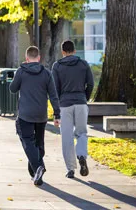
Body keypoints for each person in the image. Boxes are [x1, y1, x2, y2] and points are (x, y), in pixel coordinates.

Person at [9, 46, 60, 186]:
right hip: (41, 114)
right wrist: (57, 114)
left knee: (27, 141)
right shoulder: (46, 73)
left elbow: (12, 89)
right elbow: (53, 95)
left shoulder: (21, 71)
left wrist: (18, 76)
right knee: (38, 143)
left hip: (25, 114)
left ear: (26, 59)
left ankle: (38, 167)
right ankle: (36, 175)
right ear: (38, 58)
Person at [51, 40, 94, 179]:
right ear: (75, 51)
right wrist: (84, 98)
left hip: (65, 105)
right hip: (81, 102)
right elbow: (91, 83)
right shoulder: (83, 64)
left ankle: (70, 169)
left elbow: (55, 89)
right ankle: (81, 155)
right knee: (81, 133)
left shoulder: (57, 66)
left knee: (66, 137)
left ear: (62, 51)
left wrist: (56, 110)